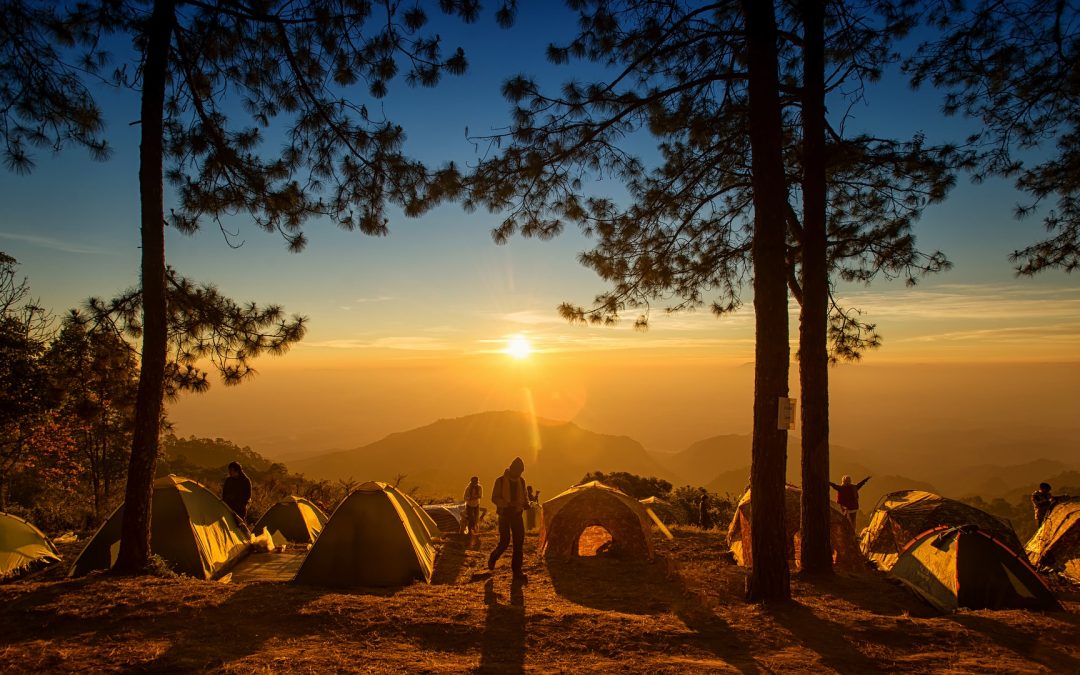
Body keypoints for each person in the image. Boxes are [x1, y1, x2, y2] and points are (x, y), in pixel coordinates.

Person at [488, 456, 529, 581]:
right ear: (512, 469)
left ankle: (517, 571)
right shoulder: (500, 481)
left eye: (521, 471)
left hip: (517, 515)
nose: (520, 473)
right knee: (504, 542)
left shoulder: (521, 481)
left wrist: (526, 503)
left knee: (518, 543)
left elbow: (525, 496)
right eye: (518, 471)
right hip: (504, 515)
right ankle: (494, 557)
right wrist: (508, 503)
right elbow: (494, 498)